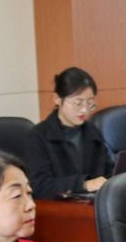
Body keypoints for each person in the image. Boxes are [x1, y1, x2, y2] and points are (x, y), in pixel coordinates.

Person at [29, 66, 112, 198]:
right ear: (57, 99)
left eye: (90, 103)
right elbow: (38, 185)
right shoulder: (38, 136)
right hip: (58, 206)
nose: (84, 110)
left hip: (92, 202)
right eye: (78, 103)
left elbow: (108, 170)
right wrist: (83, 184)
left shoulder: (91, 131)